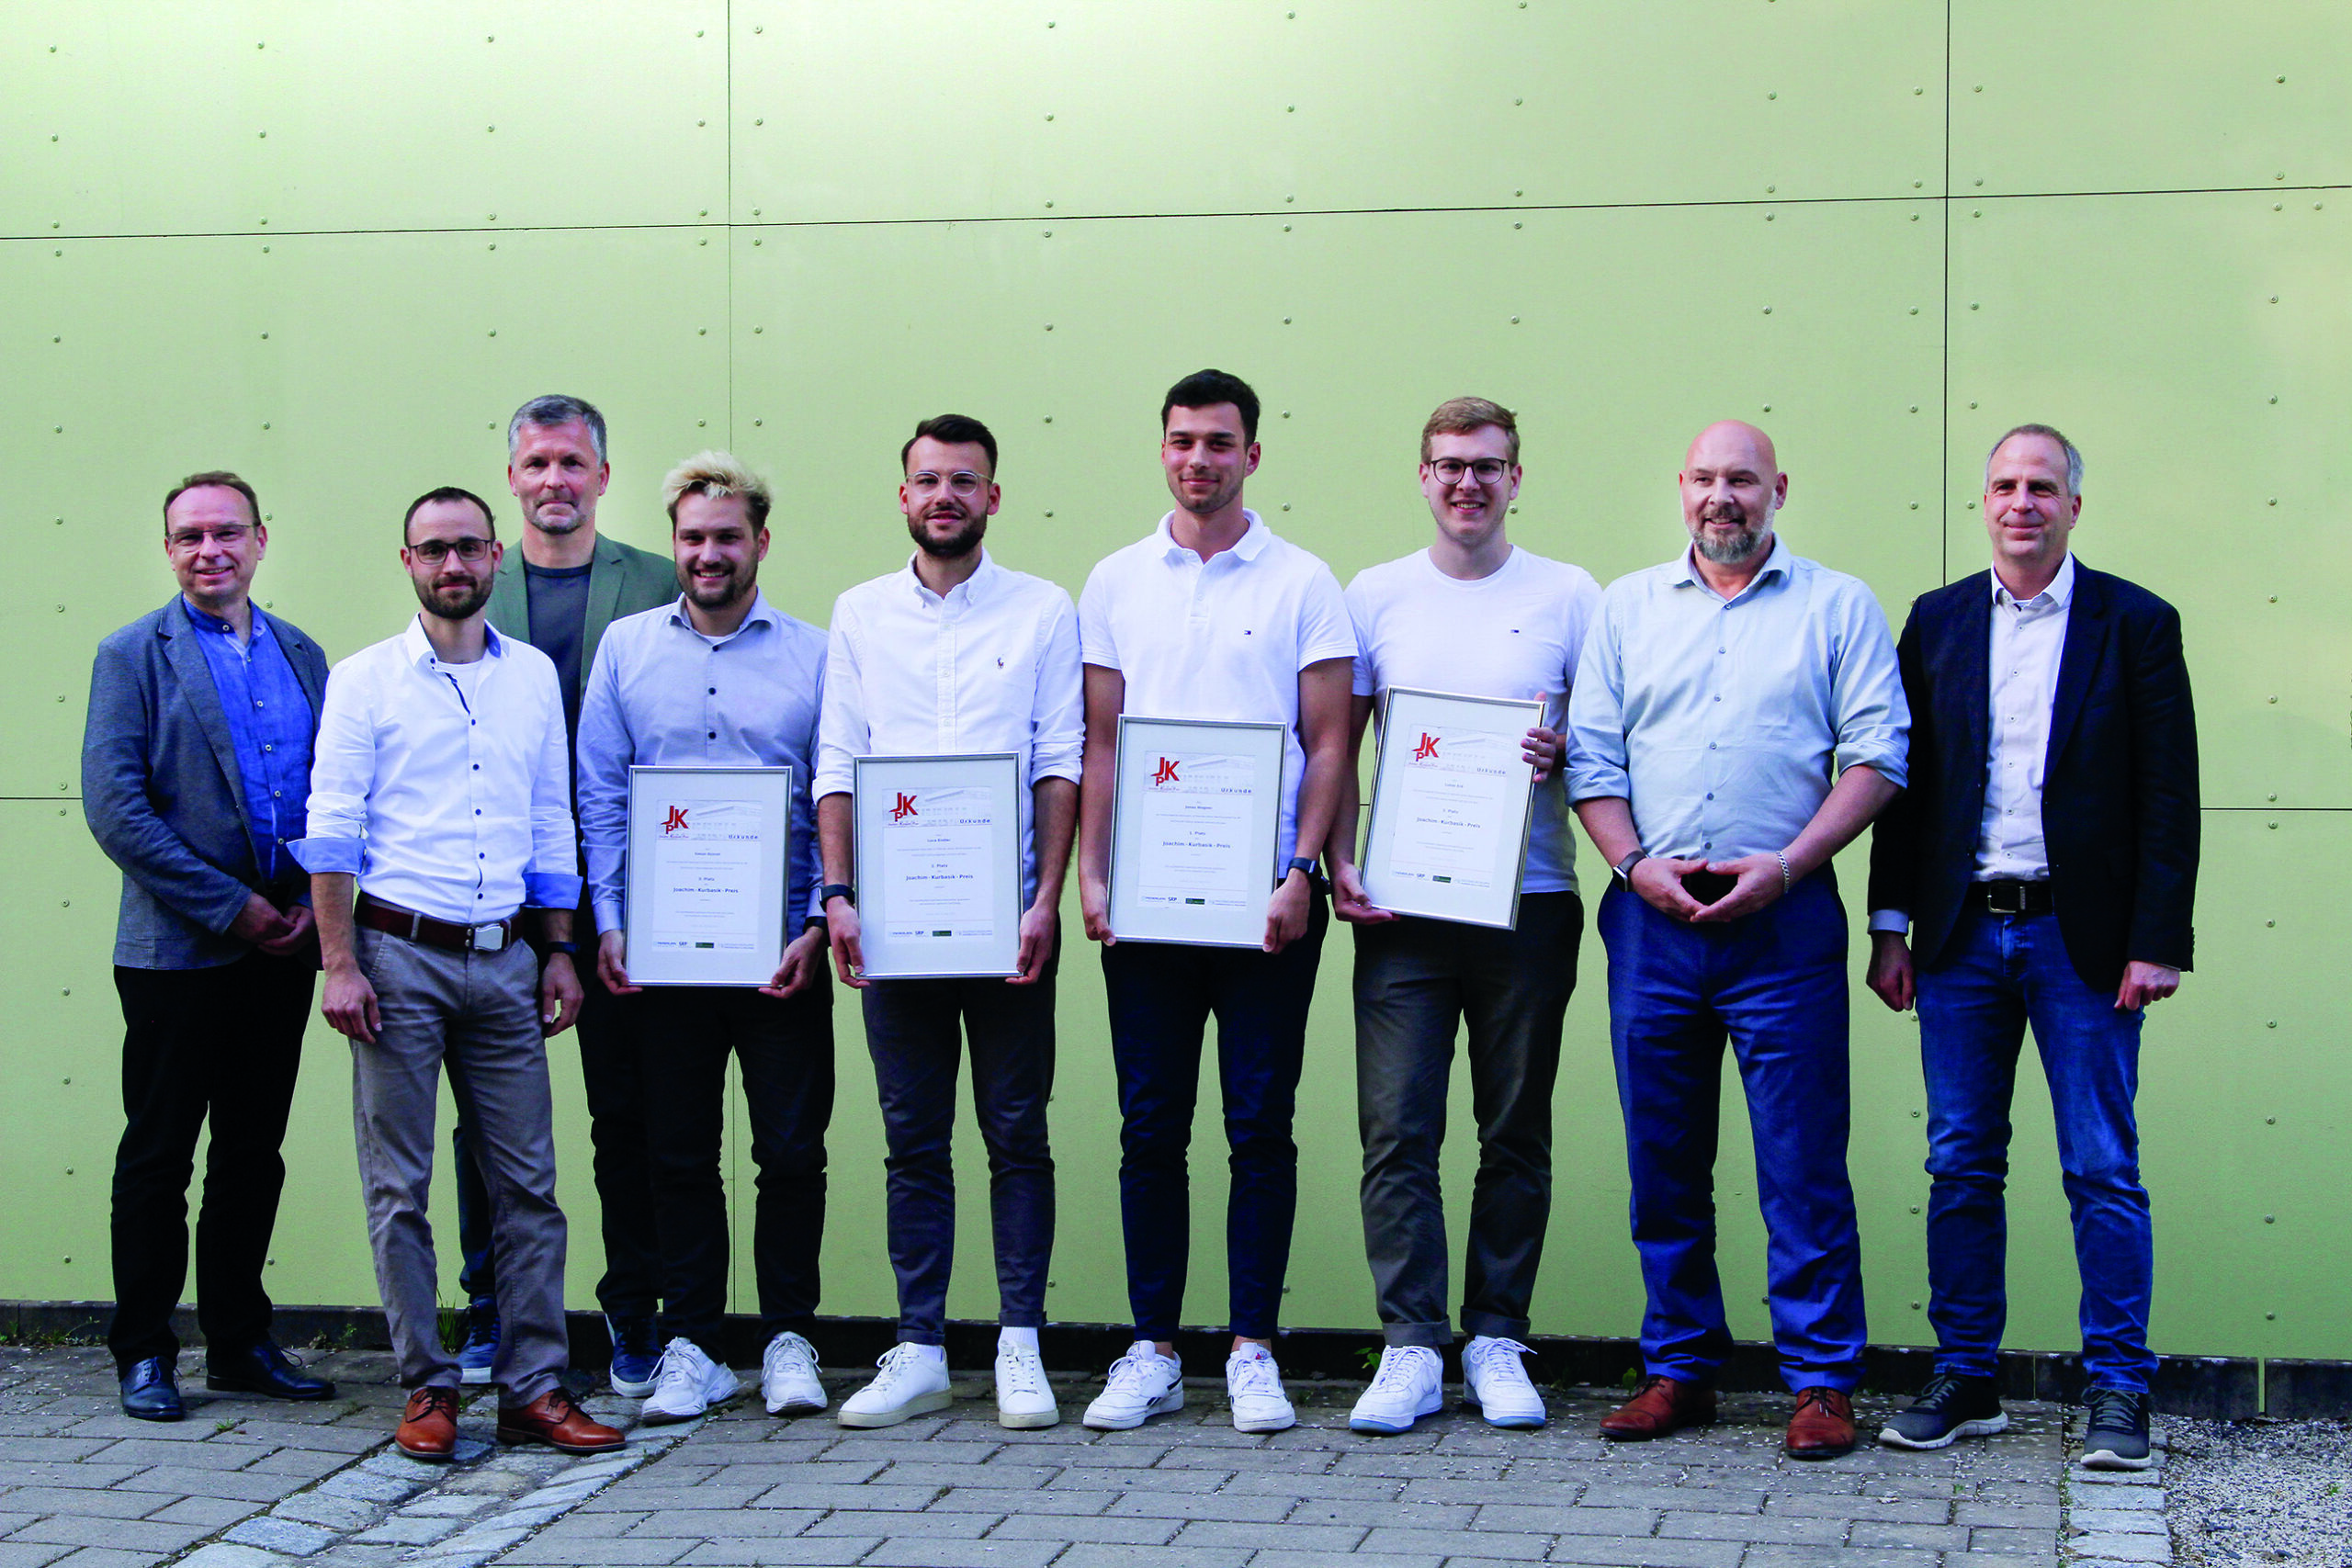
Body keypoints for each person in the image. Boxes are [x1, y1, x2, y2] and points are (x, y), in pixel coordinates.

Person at [1566, 421, 1908, 1461]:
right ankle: (1679, 1366)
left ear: (1778, 491)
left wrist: (1789, 865)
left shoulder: (1837, 606)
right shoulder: (1625, 608)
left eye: (1743, 481)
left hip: (1784, 917)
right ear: (1680, 490)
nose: (1724, 497)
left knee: (1801, 1159)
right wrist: (1634, 866)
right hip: (1653, 918)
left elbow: (1877, 758)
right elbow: (1590, 759)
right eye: (1706, 479)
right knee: (1662, 1156)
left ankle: (1819, 1380)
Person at [1866, 424, 2198, 1470]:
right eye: (2005, 485)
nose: (2021, 502)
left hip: (2084, 943)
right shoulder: (1938, 622)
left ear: (2072, 506)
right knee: (1960, 1161)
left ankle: (2118, 1394)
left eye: (2041, 487)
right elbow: (1900, 785)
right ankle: (1967, 1379)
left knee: (2102, 1167)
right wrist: (1888, 926)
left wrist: (2157, 940)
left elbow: (2167, 795)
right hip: (1962, 935)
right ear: (1984, 501)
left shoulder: (2134, 623)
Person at [295, 486, 622, 1461]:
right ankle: (427, 1387)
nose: (452, 566)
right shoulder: (365, 680)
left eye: (469, 548)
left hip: (507, 959)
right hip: (397, 959)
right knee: (401, 1185)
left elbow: (551, 817)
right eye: (433, 550)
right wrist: (340, 962)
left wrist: (559, 950)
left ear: (493, 560)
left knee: (529, 1185)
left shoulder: (528, 679)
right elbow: (331, 827)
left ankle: (532, 1387)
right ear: (408, 562)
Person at [1074, 370, 1355, 1434]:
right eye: (1183, 441)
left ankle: (1251, 1347)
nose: (1200, 459)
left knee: (1258, 1127)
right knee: (1150, 1127)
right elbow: (1101, 745)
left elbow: (1326, 743)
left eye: (1220, 442)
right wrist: (1091, 877)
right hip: (1143, 909)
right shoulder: (1114, 581)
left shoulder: (1302, 582)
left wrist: (1299, 873)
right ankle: (1150, 1347)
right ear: (1162, 450)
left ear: (1252, 454)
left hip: (1266, 906)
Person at [1325, 399, 1601, 1434]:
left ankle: (1494, 1335)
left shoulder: (1572, 596)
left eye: (1487, 467)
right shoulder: (1375, 596)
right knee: (1397, 1128)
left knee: (1513, 1130)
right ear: (1423, 476)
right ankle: (1409, 1346)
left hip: (1527, 903)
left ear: (1515, 478)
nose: (1467, 484)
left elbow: (1606, 741)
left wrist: (1563, 750)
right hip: (1400, 909)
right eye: (1448, 466)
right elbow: (1334, 746)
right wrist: (1337, 857)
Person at [816, 415, 1082, 1430]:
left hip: (1008, 923)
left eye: (964, 482)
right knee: (911, 1139)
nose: (945, 497)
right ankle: (921, 1345)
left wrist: (1044, 902)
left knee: (1017, 1135)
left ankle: (1020, 1344)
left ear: (992, 498)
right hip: (892, 925)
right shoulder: (860, 613)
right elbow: (839, 760)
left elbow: (1062, 759)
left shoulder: (1041, 610)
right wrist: (839, 896)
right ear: (903, 496)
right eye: (927, 480)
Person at [577, 453, 833, 1425]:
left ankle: (787, 1341)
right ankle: (692, 1343)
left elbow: (830, 799)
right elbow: (600, 794)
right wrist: (610, 923)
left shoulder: (816, 654)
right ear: (674, 545)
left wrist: (815, 923)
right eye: (693, 537)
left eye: (728, 536)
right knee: (675, 1154)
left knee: (790, 1153)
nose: (709, 553)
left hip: (780, 957)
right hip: (664, 960)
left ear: (759, 541)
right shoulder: (627, 650)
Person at [83, 471, 336, 1420]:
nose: (208, 551)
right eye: (188, 536)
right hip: (176, 956)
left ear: (261, 541)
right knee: (157, 1155)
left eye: (225, 533)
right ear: (168, 550)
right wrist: (235, 909)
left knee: (251, 1153)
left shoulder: (305, 653)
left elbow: (329, 792)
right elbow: (117, 812)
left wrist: (316, 903)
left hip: (285, 949)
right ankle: (144, 1351)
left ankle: (236, 1342)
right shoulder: (131, 656)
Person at [454, 393, 676, 1393]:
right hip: (501, 893)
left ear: (602, 476)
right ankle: (491, 1308)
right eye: (536, 464)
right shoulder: (466, 587)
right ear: (512, 480)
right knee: (490, 1116)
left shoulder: (664, 582)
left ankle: (636, 1314)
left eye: (572, 464)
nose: (554, 481)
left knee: (629, 1111)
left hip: (633, 890)